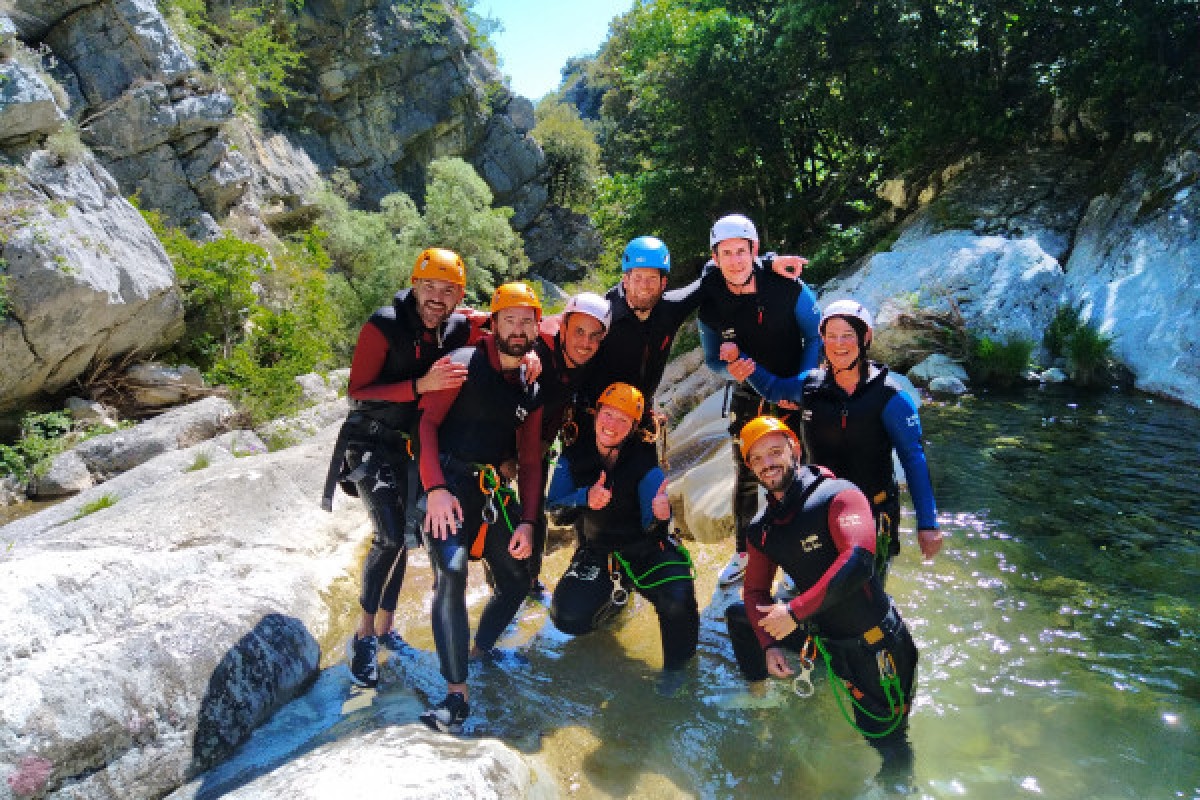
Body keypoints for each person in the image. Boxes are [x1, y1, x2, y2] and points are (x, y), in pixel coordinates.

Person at [724, 416, 919, 786]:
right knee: (739, 619)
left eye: (775, 451)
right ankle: (759, 694)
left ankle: (897, 789)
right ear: (750, 468)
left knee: (887, 742)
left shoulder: (838, 495)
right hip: (822, 636)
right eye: (757, 458)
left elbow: (858, 561)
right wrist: (768, 644)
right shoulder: (763, 528)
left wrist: (793, 612)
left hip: (873, 642)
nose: (768, 463)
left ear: (794, 450)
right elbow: (753, 593)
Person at [321, 247, 473, 689]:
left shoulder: (459, 325)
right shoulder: (383, 325)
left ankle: (387, 628)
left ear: (459, 296)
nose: (436, 298)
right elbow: (358, 391)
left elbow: (503, 326)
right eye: (429, 287)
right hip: (369, 439)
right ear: (415, 285)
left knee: (406, 538)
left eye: (448, 291)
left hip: (411, 445)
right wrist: (419, 386)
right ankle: (363, 634)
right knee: (387, 535)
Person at [727, 298, 943, 579]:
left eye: (847, 335)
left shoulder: (890, 397)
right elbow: (773, 388)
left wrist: (927, 523)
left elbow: (913, 459)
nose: (839, 344)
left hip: (872, 512)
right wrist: (742, 363)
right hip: (820, 511)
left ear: (865, 338)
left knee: (864, 594)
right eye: (831, 337)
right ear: (822, 341)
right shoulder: (811, 386)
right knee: (817, 593)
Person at [415, 281, 545, 734]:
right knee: (450, 571)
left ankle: (479, 649)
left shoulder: (530, 383)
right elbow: (426, 426)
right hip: (448, 482)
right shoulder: (461, 364)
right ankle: (456, 694)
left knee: (517, 576)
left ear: (536, 328)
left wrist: (528, 522)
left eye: (526, 320)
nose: (518, 328)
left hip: (491, 489)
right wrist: (433, 489)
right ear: (493, 323)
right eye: (509, 319)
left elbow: (530, 461)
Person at [696, 213, 822, 585]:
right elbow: (711, 359)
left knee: (799, 471)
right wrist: (728, 370)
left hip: (794, 387)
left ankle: (803, 553)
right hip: (748, 394)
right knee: (747, 476)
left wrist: (800, 384)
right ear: (715, 258)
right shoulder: (711, 301)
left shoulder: (787, 285)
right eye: (726, 253)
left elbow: (814, 337)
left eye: (742, 251)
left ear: (754, 251)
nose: (735, 261)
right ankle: (743, 552)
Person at [545, 382, 698, 682]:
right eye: (608, 414)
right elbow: (555, 512)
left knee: (678, 600)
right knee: (567, 617)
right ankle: (614, 607)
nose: (611, 425)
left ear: (633, 427)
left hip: (644, 549)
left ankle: (676, 675)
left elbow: (653, 530)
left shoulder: (645, 463)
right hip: (597, 551)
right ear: (596, 413)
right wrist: (583, 498)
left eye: (623, 419)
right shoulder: (573, 456)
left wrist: (659, 515)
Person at [527, 292, 612, 594]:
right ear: (563, 327)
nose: (584, 343)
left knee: (534, 513)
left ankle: (530, 581)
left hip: (540, 441)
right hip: (502, 442)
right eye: (578, 331)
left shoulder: (591, 356)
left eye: (593, 336)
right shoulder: (537, 349)